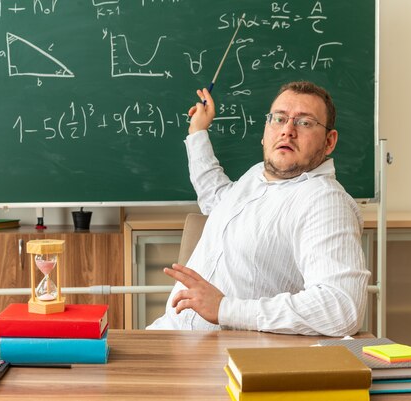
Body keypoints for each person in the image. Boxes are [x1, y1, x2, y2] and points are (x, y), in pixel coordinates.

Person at [147, 81, 370, 336]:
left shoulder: (324, 202)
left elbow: (340, 308)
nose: (288, 131)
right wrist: (198, 132)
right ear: (265, 132)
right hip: (169, 332)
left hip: (227, 359)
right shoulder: (257, 176)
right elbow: (217, 200)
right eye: (279, 119)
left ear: (329, 142)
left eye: (305, 122)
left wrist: (225, 309)